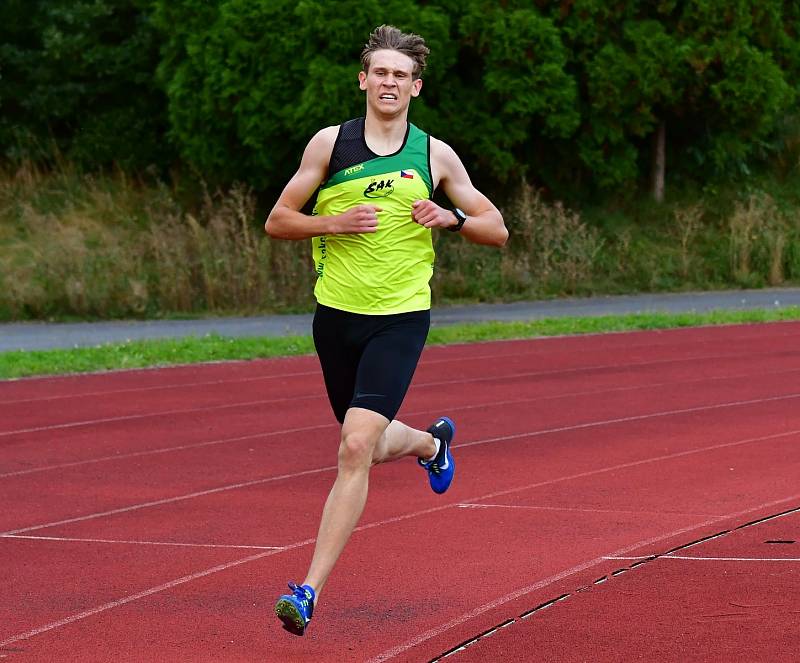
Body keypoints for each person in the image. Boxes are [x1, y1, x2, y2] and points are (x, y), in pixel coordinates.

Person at [265, 24, 507, 636]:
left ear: (416, 86)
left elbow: (496, 229)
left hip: (400, 319)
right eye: (381, 72)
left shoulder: (434, 156)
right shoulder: (330, 145)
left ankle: (308, 591)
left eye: (401, 74)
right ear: (364, 80)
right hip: (336, 317)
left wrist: (450, 219)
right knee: (366, 445)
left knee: (352, 448)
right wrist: (334, 223)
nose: (390, 82)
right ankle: (431, 445)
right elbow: (278, 220)